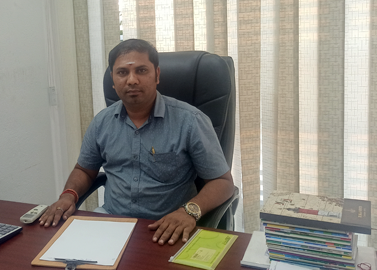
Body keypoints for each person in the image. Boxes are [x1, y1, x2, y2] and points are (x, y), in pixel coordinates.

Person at [39, 39, 235, 246]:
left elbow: (222, 183)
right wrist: (68, 195)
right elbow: (84, 170)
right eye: (122, 72)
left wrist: (188, 212)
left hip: (169, 226)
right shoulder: (102, 122)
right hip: (111, 221)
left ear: (157, 75)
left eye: (141, 71)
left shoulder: (190, 121)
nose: (132, 80)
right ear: (113, 80)